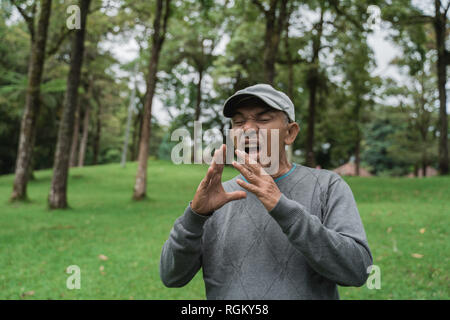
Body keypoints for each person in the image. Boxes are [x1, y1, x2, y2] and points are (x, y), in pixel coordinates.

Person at [160, 84, 373, 299]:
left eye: (263, 119)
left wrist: (282, 207)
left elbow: (357, 271)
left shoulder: (327, 186)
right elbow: (171, 277)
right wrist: (194, 217)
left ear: (290, 133)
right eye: (239, 122)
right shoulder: (216, 198)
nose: (248, 129)